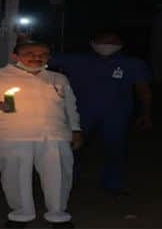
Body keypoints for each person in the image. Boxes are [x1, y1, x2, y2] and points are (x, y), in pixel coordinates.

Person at [0, 40, 81, 228]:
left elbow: (69, 107)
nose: (36, 57)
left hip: (54, 134)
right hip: (12, 135)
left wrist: (75, 129)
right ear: (15, 56)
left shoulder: (58, 79)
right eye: (30, 53)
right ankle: (21, 214)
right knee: (16, 176)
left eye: (42, 54)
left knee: (59, 176)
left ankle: (58, 215)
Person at [49, 32, 152, 196]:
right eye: (104, 40)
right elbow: (37, 58)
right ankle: (66, 182)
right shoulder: (75, 60)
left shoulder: (132, 64)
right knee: (72, 148)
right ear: (93, 42)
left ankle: (114, 185)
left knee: (116, 148)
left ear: (121, 44)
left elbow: (143, 89)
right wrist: (23, 41)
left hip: (117, 113)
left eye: (113, 41)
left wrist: (146, 113)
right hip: (81, 112)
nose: (108, 44)